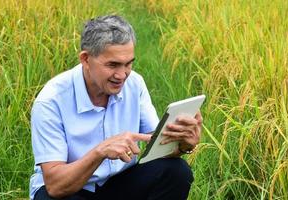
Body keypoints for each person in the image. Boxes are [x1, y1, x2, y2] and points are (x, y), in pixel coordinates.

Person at [29, 15, 203, 200]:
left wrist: (183, 144)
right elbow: (56, 186)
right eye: (113, 65)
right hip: (71, 189)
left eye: (128, 64)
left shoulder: (134, 83)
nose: (122, 75)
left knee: (176, 171)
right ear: (86, 59)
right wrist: (100, 152)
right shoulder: (50, 101)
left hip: (120, 183)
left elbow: (158, 149)